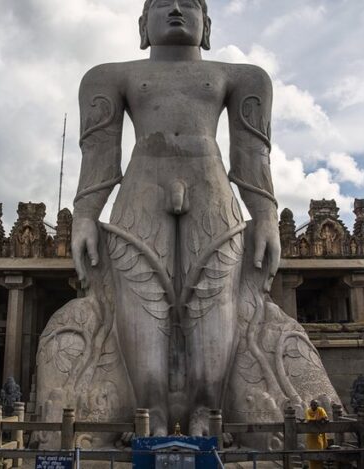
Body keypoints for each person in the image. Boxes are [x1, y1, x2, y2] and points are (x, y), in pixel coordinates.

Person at [72, 0, 280, 436]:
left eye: (189, 4)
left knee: (215, 298)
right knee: (139, 297)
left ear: (207, 25)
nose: (176, 10)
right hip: (142, 189)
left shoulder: (243, 77)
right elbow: (98, 153)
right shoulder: (109, 76)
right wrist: (85, 216)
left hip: (211, 190)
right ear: (142, 24)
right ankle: (151, 413)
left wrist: (265, 215)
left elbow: (253, 154)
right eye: (162, 4)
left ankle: (209, 412)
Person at [305, 400, 329, 469]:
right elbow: (309, 420)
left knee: (320, 454)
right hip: (311, 437)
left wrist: (322, 419)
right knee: (311, 455)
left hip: (319, 436)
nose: (315, 406)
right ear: (310, 405)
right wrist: (319, 420)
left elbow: (325, 418)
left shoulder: (321, 410)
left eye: (316, 404)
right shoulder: (308, 411)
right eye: (313, 404)